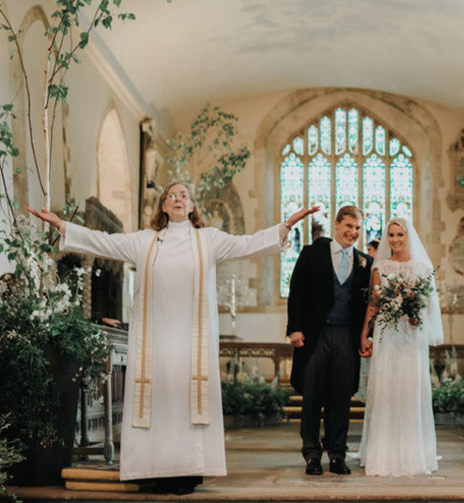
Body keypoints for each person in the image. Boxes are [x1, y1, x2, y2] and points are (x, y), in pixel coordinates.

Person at [27, 182, 317, 494]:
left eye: (184, 196)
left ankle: (186, 472)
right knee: (157, 402)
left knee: (185, 401)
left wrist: (285, 226)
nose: (177, 199)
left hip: (193, 343)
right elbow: (104, 243)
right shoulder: (145, 241)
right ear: (163, 206)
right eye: (171, 195)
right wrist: (64, 226)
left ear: (192, 206)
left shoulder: (209, 240)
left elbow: (249, 244)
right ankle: (152, 469)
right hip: (154, 342)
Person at [286, 205, 373, 475]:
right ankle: (312, 454)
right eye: (348, 226)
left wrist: (364, 336)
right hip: (315, 334)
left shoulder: (364, 262)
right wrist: (295, 329)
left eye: (358, 228)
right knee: (312, 396)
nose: (353, 232)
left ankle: (337, 454)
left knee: (340, 398)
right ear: (337, 225)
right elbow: (296, 291)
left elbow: (366, 303)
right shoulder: (313, 253)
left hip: (346, 336)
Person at [358, 217, 443, 476]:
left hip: (411, 335)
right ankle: (383, 455)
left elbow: (428, 305)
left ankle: (412, 454)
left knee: (409, 391)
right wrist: (365, 334)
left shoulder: (422, 267)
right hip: (386, 334)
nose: (395, 240)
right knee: (386, 390)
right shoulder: (380, 267)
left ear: (408, 237)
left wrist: (415, 312)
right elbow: (373, 303)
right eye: (391, 235)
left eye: (399, 235)